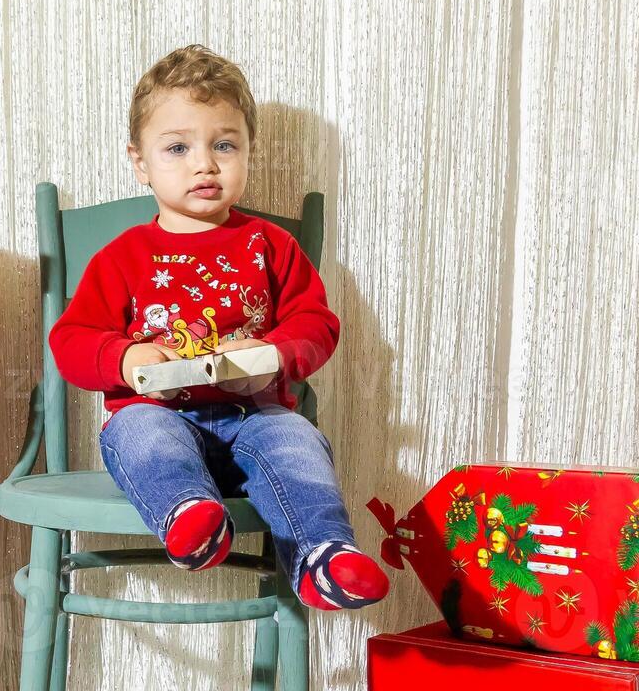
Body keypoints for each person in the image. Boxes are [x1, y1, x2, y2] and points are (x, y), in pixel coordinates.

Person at [47, 44, 389, 611]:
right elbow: (72, 340)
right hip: (160, 418)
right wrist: (126, 358)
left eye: (224, 145)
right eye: (178, 148)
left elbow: (316, 323)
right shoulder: (123, 257)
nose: (204, 164)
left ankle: (324, 555)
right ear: (140, 162)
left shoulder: (268, 245)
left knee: (296, 436)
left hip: (254, 417)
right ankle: (189, 515)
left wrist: (274, 353)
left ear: (249, 152)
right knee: (138, 433)